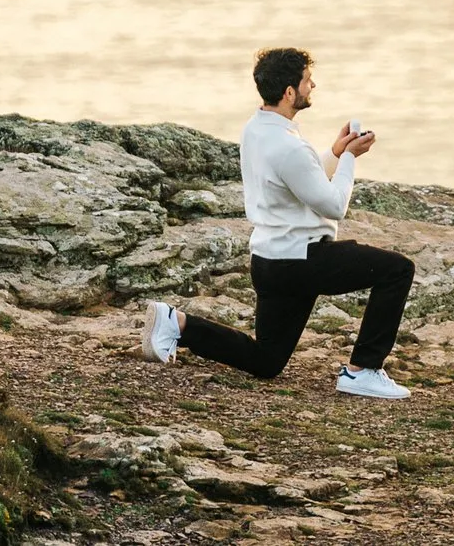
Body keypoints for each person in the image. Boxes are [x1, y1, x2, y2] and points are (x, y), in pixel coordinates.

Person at [140, 46, 415, 400]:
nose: (312, 85)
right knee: (397, 270)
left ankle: (176, 323)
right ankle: (363, 370)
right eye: (306, 80)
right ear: (289, 92)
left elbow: (299, 177)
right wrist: (348, 159)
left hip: (270, 262)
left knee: (266, 361)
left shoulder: (256, 130)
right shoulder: (288, 146)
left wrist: (333, 152)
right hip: (303, 261)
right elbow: (333, 205)